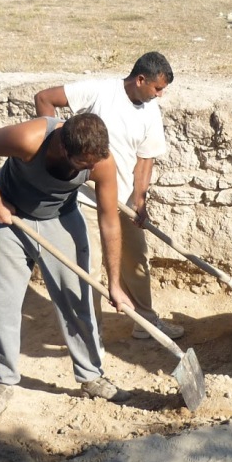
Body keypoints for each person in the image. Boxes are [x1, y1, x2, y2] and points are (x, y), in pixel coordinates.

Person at [0, 112, 135, 418]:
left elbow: (110, 221)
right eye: (86, 165)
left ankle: (91, 376)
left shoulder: (102, 163)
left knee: (77, 301)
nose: (94, 169)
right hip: (11, 219)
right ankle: (2, 380)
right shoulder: (29, 139)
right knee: (4, 304)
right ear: (63, 150)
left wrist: (114, 282)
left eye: (97, 161)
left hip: (61, 220)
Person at [34, 52, 183, 340]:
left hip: (123, 201)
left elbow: (145, 158)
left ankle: (146, 323)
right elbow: (44, 98)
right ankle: (91, 336)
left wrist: (139, 199)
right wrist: (56, 144)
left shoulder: (151, 111)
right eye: (157, 88)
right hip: (85, 200)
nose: (160, 95)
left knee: (136, 261)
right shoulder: (99, 91)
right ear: (140, 79)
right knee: (90, 269)